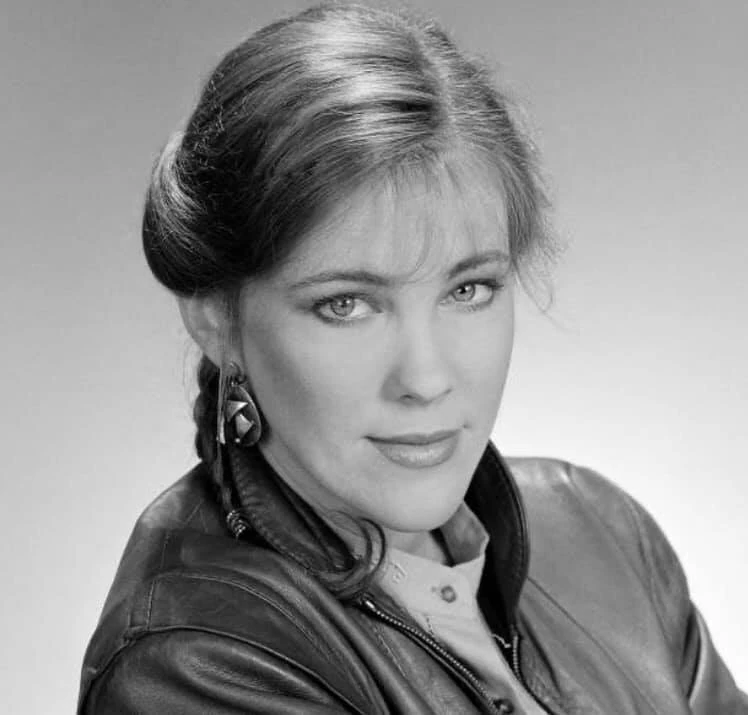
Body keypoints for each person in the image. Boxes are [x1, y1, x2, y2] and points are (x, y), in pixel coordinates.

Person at [78, 3, 746, 713]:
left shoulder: (598, 531)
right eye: (346, 304)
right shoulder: (195, 661)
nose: (425, 380)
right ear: (216, 317)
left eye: (468, 288)